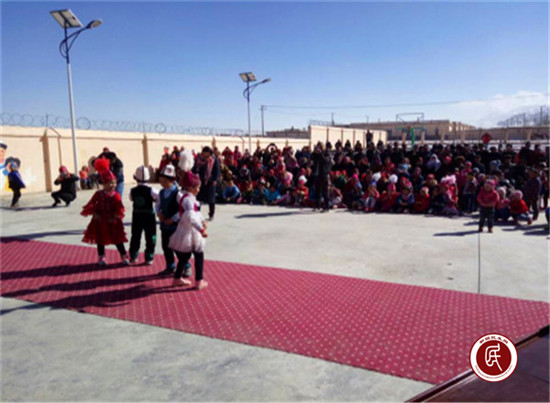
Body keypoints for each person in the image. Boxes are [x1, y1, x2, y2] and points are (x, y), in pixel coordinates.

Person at [81, 158, 129, 266]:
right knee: (100, 240)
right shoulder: (98, 194)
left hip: (113, 221)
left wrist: (115, 216)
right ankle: (101, 257)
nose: (113, 185)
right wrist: (95, 214)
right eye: (110, 183)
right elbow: (91, 204)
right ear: (104, 183)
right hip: (100, 221)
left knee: (118, 240)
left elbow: (119, 207)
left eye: (114, 183)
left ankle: (124, 256)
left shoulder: (116, 195)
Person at [168, 171, 209, 290]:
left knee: (185, 256)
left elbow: (196, 213)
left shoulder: (188, 198)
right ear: (191, 187)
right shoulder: (188, 200)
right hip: (191, 231)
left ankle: (177, 278)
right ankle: (199, 280)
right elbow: (191, 217)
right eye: (198, 187)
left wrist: (202, 220)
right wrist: (201, 229)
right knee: (199, 254)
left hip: (186, 230)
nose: (199, 190)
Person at [156, 165, 188, 276]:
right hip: (164, 225)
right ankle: (170, 266)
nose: (162, 183)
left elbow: (183, 209)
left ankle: (186, 265)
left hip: (175, 226)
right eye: (161, 181)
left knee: (177, 247)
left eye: (165, 181)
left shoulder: (178, 194)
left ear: (172, 180)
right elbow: (158, 204)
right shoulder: (161, 192)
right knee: (166, 246)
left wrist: (173, 219)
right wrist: (159, 213)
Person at [129, 166, 159, 265]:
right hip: (149, 216)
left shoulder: (133, 190)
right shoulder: (152, 190)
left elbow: (131, 199)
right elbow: (158, 198)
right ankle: (149, 257)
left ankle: (133, 256)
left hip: (137, 216)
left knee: (135, 235)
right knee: (150, 236)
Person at [195, 146, 220, 221]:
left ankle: (211, 214)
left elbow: (217, 170)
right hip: (200, 181)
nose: (205, 157)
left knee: (211, 199)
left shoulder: (214, 160)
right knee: (198, 198)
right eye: (204, 155)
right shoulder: (198, 159)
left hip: (210, 182)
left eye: (207, 156)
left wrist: (215, 180)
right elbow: (195, 169)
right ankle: (197, 213)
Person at [311, 142, 332, 212]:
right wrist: (314, 152)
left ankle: (326, 207)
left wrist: (320, 153)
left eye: (320, 146)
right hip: (317, 173)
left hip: (324, 174)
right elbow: (312, 158)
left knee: (325, 191)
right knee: (317, 191)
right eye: (318, 146)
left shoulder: (327, 153)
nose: (319, 148)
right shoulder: (316, 153)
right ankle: (317, 205)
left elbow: (325, 160)